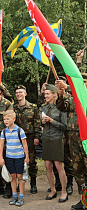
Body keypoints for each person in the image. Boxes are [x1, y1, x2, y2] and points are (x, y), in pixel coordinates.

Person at [56, 59, 87, 209]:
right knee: (78, 171)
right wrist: (61, 94)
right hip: (74, 139)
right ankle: (84, 200)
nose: (83, 85)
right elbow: (62, 107)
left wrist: (69, 87)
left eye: (85, 82)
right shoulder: (73, 98)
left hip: (86, 140)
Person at [41, 84, 68, 202]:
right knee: (48, 166)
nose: (45, 95)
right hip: (46, 138)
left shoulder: (61, 108)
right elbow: (41, 124)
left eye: (47, 94)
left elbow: (64, 126)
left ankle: (64, 191)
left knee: (58, 166)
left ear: (54, 94)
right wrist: (43, 121)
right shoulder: (43, 107)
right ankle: (53, 190)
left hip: (57, 138)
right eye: (45, 93)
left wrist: (51, 120)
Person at [14, 85, 41, 194]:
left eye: (20, 92)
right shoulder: (13, 107)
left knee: (31, 161)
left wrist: (37, 137)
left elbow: (37, 123)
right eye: (17, 93)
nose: (18, 94)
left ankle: (33, 184)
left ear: (25, 94)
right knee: (17, 161)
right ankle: (18, 184)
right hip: (17, 139)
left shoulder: (33, 107)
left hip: (29, 138)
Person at [0, 110, 29, 206]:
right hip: (9, 157)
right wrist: (1, 158)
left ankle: (21, 196)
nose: (6, 121)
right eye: (4, 119)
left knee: (20, 177)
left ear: (14, 119)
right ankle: (14, 196)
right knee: (12, 177)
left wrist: (27, 157)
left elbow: (25, 145)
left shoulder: (20, 131)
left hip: (19, 157)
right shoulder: (4, 131)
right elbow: (1, 145)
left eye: (8, 119)